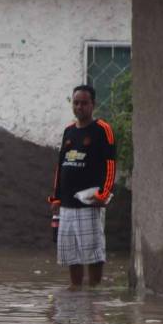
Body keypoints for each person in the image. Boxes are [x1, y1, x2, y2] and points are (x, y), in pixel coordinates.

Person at [49, 84, 116, 290]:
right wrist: (56, 198)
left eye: (84, 103)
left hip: (90, 202)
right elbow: (61, 166)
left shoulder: (102, 129)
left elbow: (110, 164)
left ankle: (94, 289)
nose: (79, 107)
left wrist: (103, 194)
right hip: (67, 204)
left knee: (93, 251)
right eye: (76, 103)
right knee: (70, 252)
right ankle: (75, 287)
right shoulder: (68, 131)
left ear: (93, 105)